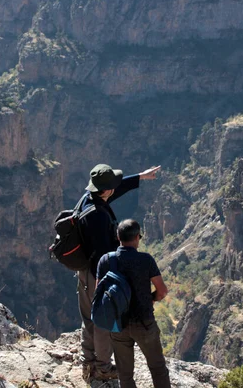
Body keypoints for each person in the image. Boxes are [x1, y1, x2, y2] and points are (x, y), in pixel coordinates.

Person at [77, 164, 160, 382]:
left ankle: (88, 362)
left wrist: (140, 177)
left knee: (89, 319)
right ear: (105, 191)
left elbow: (117, 188)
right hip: (98, 275)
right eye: (111, 186)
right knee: (104, 320)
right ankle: (103, 367)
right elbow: (106, 254)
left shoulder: (90, 199)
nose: (114, 188)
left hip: (84, 272)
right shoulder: (98, 217)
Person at [96, 219, 171, 388]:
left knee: (125, 374)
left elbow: (99, 293)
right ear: (137, 237)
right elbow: (163, 291)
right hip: (144, 322)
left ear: (118, 236)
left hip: (118, 324)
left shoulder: (106, 260)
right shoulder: (146, 260)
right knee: (158, 368)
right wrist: (151, 298)